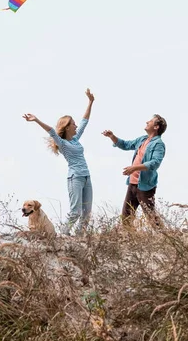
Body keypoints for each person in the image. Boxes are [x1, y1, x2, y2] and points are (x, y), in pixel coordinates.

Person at [23, 89, 94, 235]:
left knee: (86, 212)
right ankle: (63, 234)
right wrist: (36, 120)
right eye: (73, 124)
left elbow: (84, 122)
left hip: (86, 176)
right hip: (75, 177)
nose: (76, 126)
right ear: (67, 127)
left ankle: (80, 236)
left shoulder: (74, 138)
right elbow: (51, 131)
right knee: (75, 212)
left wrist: (90, 102)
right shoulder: (62, 144)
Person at [102, 115, 167, 226]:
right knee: (126, 218)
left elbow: (155, 163)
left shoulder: (158, 144)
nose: (147, 121)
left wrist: (134, 168)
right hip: (132, 184)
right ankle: (128, 241)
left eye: (150, 121)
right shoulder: (142, 139)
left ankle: (166, 238)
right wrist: (112, 136)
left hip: (145, 186)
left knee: (152, 218)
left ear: (156, 127)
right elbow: (126, 145)